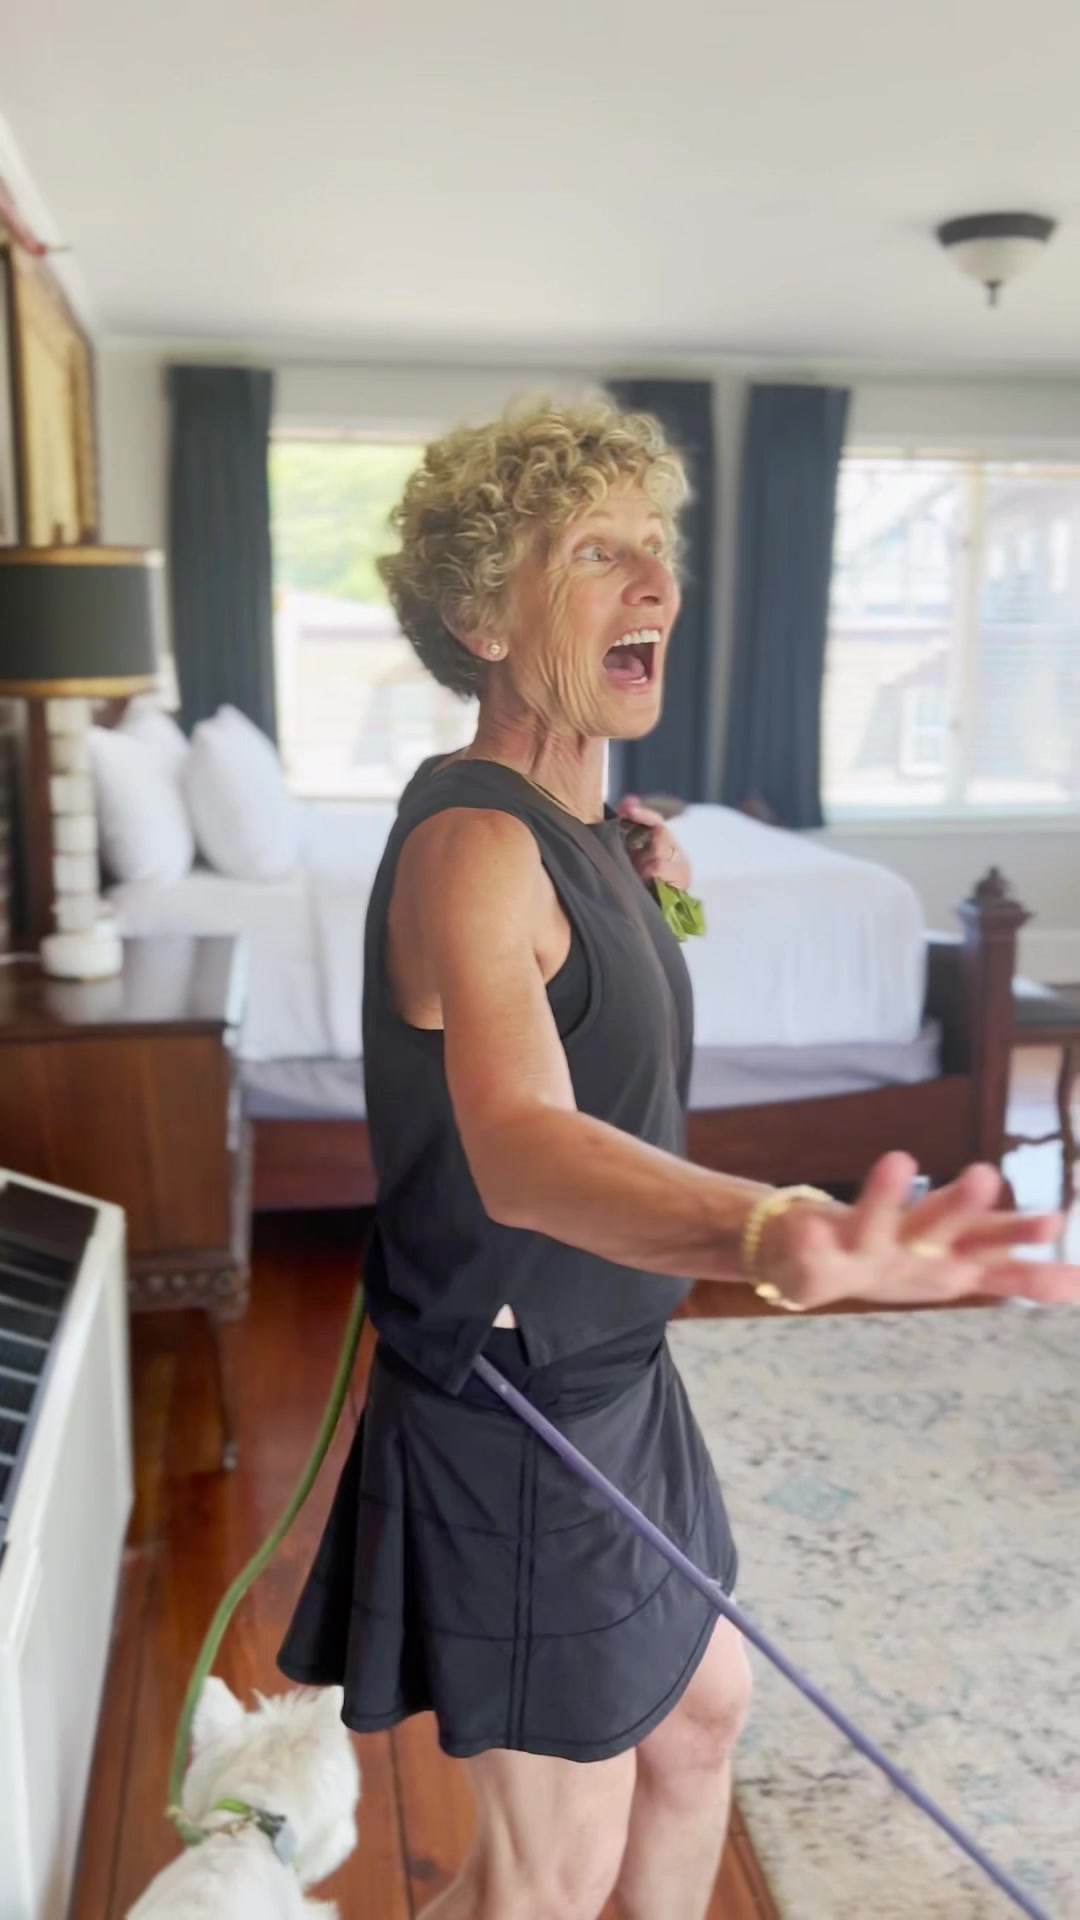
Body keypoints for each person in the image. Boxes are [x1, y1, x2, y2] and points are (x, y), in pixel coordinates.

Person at [279, 399, 1079, 1920]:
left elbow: (599, 1009)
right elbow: (523, 1148)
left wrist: (652, 883)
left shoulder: (585, 823)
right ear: (481, 617)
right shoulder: (474, 848)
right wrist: (776, 1229)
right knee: (546, 1876)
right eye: (596, 553)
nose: (656, 582)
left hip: (618, 1369)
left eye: (657, 548)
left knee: (703, 1719)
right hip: (517, 1403)